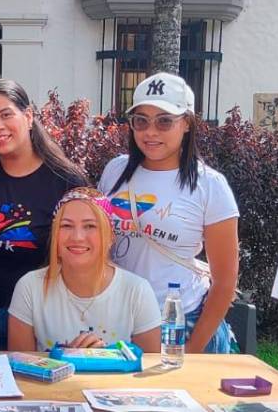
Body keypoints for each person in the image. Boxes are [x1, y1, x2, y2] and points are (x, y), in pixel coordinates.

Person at [99, 72, 240, 354]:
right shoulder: (115, 171)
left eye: (164, 121)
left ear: (186, 123)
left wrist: (195, 347)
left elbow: (225, 282)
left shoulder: (210, 185)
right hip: (118, 320)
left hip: (178, 322)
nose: (151, 132)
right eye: (141, 121)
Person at [0, 79, 87, 348]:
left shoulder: (65, 181)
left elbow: (86, 250)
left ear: (28, 116)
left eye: (6, 114)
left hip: (39, 318)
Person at [8, 188, 162, 352]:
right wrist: (65, 358)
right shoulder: (29, 287)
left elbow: (149, 371)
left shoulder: (137, 292)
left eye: (90, 226)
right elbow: (19, 368)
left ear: (110, 236)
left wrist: (103, 360)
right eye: (66, 225)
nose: (77, 237)